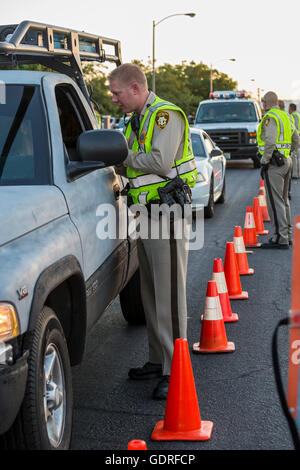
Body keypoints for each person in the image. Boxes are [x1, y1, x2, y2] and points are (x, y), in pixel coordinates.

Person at [108, 63, 197, 399]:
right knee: (150, 292)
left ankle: (175, 371)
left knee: (170, 295)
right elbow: (126, 162)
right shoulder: (137, 120)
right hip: (146, 214)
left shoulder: (165, 115)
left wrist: (124, 156)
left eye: (117, 93)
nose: (114, 99)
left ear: (135, 87)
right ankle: (158, 360)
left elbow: (159, 161)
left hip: (167, 214)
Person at [257, 91, 300, 248]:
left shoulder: (270, 117)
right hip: (286, 161)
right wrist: (287, 152)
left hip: (274, 165)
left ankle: (280, 238)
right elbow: (296, 139)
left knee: (275, 202)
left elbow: (269, 141)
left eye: (263, 103)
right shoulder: (286, 116)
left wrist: (264, 160)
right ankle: (287, 236)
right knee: (284, 200)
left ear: (266, 103)